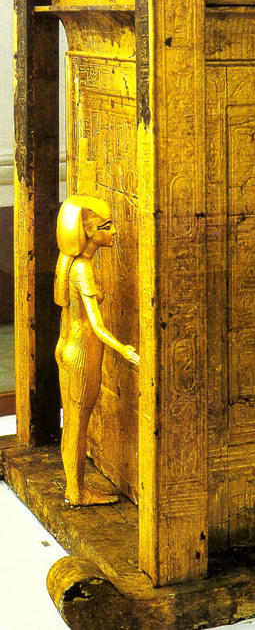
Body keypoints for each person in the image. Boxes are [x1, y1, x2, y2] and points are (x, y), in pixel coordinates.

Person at [54, 194, 139, 506]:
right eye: (107, 226)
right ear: (89, 230)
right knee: (78, 425)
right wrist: (124, 349)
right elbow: (97, 325)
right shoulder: (83, 269)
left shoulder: (68, 261)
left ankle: (74, 488)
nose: (114, 231)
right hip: (82, 351)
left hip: (67, 345)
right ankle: (76, 492)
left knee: (73, 423)